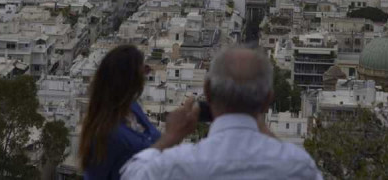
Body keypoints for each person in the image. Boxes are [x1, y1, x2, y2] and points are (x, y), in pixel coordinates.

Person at [121, 46, 323, 180]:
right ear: (267, 100)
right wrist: (262, 126)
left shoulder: (176, 166)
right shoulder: (298, 167)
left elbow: (131, 174)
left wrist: (172, 136)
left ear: (207, 92)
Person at [79, 45, 160, 180]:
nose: (146, 72)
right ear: (128, 77)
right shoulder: (105, 133)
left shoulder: (133, 108)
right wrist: (173, 134)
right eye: (142, 68)